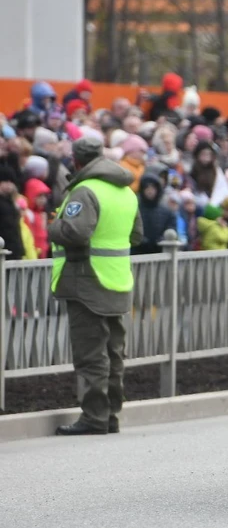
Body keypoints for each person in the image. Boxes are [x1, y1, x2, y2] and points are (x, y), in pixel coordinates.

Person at [47, 137, 143, 435]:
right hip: (117, 281)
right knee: (113, 354)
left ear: (76, 161)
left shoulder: (85, 191)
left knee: (91, 355)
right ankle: (110, 415)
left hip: (87, 282)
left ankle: (94, 418)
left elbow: (75, 232)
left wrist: (53, 225)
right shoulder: (126, 192)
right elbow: (137, 235)